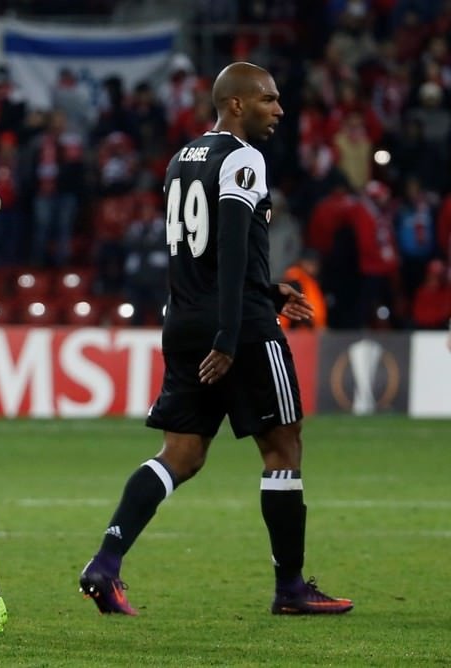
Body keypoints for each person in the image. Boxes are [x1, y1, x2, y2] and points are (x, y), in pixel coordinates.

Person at [78, 62, 353, 617]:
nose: (279, 110)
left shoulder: (181, 159)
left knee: (179, 453)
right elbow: (228, 244)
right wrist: (232, 332)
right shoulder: (243, 157)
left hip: (183, 318)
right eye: (269, 100)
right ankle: (291, 588)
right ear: (235, 105)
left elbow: (200, 253)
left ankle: (105, 563)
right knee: (283, 446)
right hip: (239, 328)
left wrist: (268, 291)